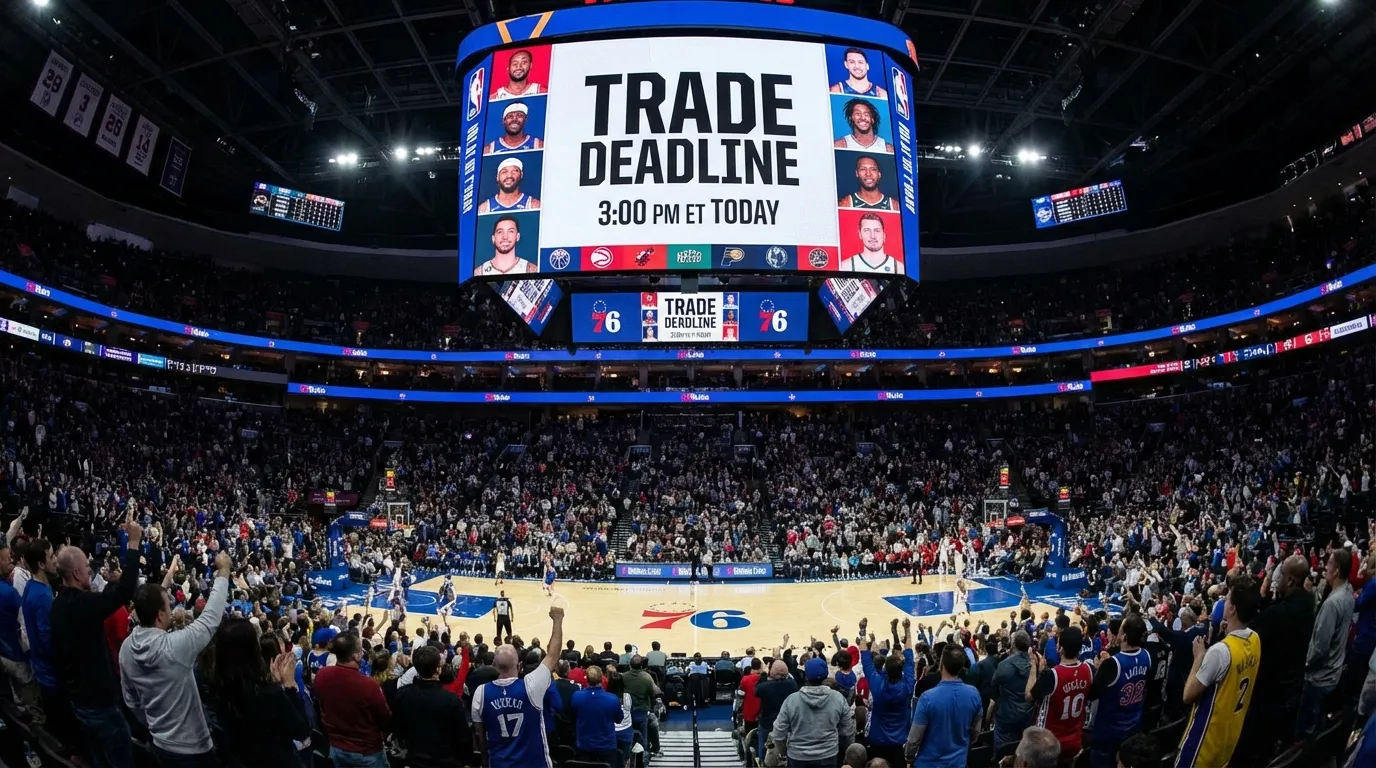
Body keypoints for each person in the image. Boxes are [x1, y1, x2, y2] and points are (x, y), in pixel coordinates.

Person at [119, 552, 232, 767]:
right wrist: (223, 571)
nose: (172, 611)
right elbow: (210, 619)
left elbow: (131, 701)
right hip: (193, 749)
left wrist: (154, 724)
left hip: (159, 743)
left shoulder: (125, 648)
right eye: (168, 607)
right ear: (160, 615)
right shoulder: (175, 647)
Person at [51, 513, 143, 768]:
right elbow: (125, 591)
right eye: (87, 568)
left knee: (98, 758)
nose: (91, 570)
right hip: (99, 703)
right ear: (77, 573)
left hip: (78, 701)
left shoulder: (57, 605)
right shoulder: (84, 604)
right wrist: (133, 542)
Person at [1235, 555, 1315, 765]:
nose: (1276, 580)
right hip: (1294, 686)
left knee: (1258, 749)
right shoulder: (1308, 601)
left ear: (1290, 581)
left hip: (1271, 693)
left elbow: (1250, 630)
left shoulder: (1279, 614)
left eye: (1281, 576)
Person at [1176, 575, 1262, 768]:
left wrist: (1199, 656)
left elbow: (1188, 695)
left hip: (1203, 744)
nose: (1224, 601)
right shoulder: (1255, 639)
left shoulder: (1220, 652)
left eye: (1227, 599)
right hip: (1228, 742)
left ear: (1232, 609)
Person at [472, 605, 565, 768]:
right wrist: (558, 620)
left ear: (494, 665)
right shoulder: (531, 686)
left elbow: (479, 733)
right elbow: (552, 655)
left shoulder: (481, 693)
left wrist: (485, 759)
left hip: (500, 763)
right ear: (520, 666)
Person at [212, 618, 312, 768]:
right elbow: (301, 730)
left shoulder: (215, 687)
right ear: (254, 648)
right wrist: (289, 686)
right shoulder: (268, 693)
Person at [1298, 548, 1354, 741]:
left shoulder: (1332, 604)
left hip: (1318, 678)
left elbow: (1320, 648)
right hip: (1334, 673)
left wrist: (1305, 666)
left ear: (1336, 570)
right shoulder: (1348, 591)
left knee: (1306, 732)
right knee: (1319, 723)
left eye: (1329, 563)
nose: (1325, 566)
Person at [314, 631, 393, 768]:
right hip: (367, 752)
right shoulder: (368, 684)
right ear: (356, 655)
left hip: (336, 746)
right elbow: (385, 720)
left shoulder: (322, 675)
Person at [1087, 616, 1151, 768]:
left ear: (1123, 636)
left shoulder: (1112, 664)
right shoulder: (1147, 656)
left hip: (1109, 732)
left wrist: (1098, 669)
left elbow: (1092, 694)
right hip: (1133, 726)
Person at [905, 644, 983, 768]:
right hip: (958, 763)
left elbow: (914, 738)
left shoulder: (927, 698)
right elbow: (975, 732)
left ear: (942, 664)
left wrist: (909, 758)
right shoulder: (974, 694)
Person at [393, 645, 470, 768]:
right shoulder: (450, 699)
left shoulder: (403, 694)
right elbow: (463, 737)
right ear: (438, 669)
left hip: (414, 759)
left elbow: (398, 728)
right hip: (444, 761)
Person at [772, 656, 855, 768]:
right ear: (826, 675)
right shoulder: (838, 699)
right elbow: (847, 731)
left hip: (797, 758)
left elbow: (778, 732)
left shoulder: (791, 700)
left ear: (806, 676)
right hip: (828, 756)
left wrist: (784, 751)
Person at [1027, 626, 1093, 763]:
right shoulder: (1089, 670)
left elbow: (1029, 696)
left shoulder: (1052, 675)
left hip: (1049, 744)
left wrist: (1033, 666)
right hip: (1074, 741)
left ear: (1060, 648)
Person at [862, 618, 916, 768]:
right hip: (898, 744)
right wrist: (907, 630)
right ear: (901, 671)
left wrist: (862, 632)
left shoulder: (878, 686)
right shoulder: (907, 687)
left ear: (885, 669)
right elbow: (910, 659)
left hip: (877, 743)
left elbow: (866, 661)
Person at [0, 539, 39, 722]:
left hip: (3, 654)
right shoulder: (8, 593)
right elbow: (24, 626)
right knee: (28, 704)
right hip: (16, 656)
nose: (12, 561)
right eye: (7, 558)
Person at [990, 630, 1035, 756]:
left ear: (1014, 644)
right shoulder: (1036, 664)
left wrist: (1000, 702)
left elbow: (993, 688)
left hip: (1007, 716)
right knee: (1025, 754)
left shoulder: (1004, 665)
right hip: (1029, 716)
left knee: (1002, 753)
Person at [571, 665, 622, 765]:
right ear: (602, 678)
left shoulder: (576, 696)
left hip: (584, 745)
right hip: (606, 747)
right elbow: (619, 719)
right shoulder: (612, 699)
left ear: (586, 679)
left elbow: (573, 715)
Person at [757, 658, 800, 761]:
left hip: (767, 722)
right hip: (787, 723)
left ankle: (762, 760)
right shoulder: (792, 685)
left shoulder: (764, 687)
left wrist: (764, 676)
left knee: (763, 743)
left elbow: (756, 691)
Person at [622, 654, 659, 764]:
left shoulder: (623, 677)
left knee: (628, 738)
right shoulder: (647, 677)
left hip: (627, 713)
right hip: (642, 712)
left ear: (630, 665)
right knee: (643, 740)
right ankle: (643, 762)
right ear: (642, 666)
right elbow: (656, 692)